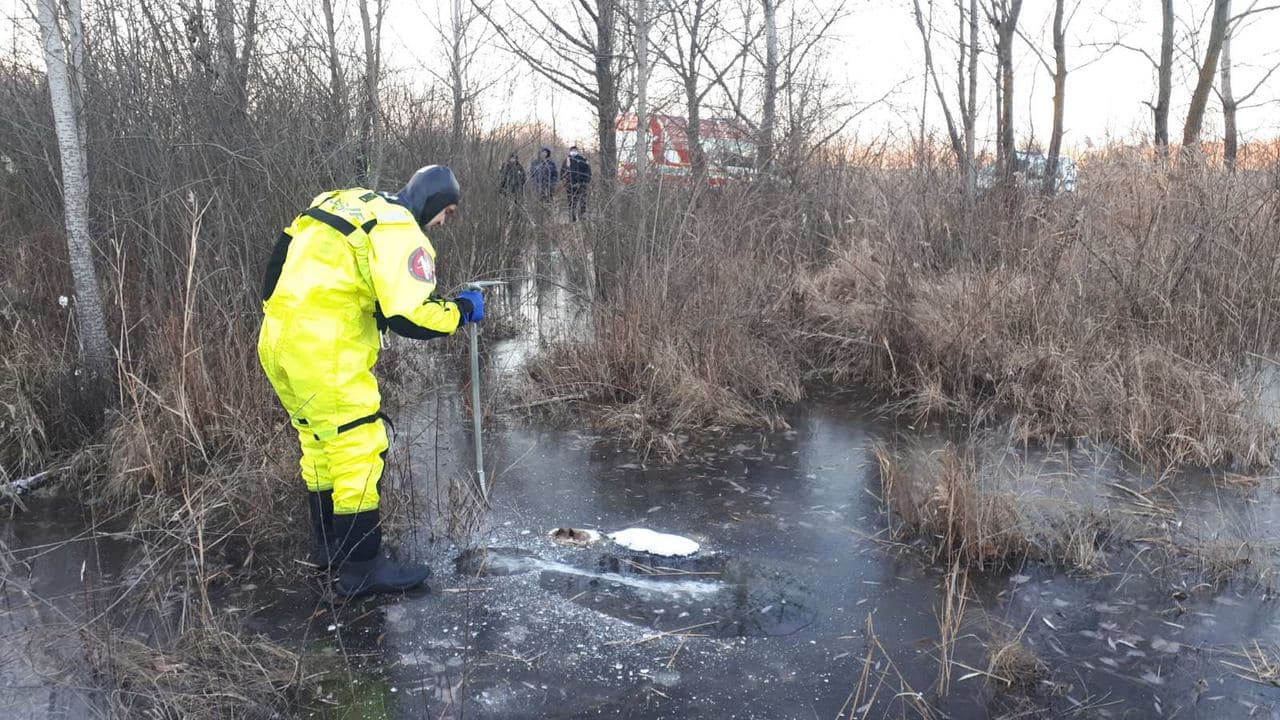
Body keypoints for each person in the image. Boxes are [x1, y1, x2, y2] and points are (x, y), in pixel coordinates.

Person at [258, 166, 485, 598]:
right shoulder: (402, 232)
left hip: (278, 340)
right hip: (326, 351)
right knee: (358, 447)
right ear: (434, 202)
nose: (443, 224)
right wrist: (459, 311)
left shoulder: (343, 200)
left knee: (320, 443)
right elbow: (409, 316)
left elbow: (279, 259)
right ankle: (362, 567)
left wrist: (285, 313)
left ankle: (330, 547)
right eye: (446, 213)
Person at [562, 146, 592, 221]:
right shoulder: (567, 160)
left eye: (575, 150)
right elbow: (562, 173)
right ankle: (572, 218)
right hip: (570, 185)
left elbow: (588, 172)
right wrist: (565, 182)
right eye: (572, 150)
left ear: (577, 151)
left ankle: (583, 217)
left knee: (582, 201)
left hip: (582, 184)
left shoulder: (583, 160)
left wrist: (585, 182)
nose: (573, 152)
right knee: (571, 202)